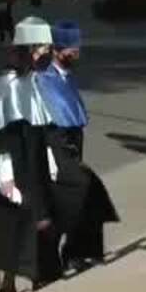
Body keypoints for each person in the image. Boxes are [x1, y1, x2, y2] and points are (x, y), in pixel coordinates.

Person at [0, 18, 54, 292]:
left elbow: (41, 123)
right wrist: (4, 178)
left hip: (31, 155)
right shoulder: (4, 86)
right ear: (25, 51)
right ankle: (7, 284)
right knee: (12, 220)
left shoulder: (31, 82)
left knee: (38, 217)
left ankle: (36, 273)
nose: (43, 55)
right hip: (12, 161)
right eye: (39, 49)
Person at [35, 23, 118, 278]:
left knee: (85, 197)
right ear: (60, 51)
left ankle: (76, 253)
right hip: (56, 144)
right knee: (64, 203)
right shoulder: (44, 78)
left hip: (72, 141)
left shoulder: (66, 75)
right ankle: (48, 265)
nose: (78, 53)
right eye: (74, 49)